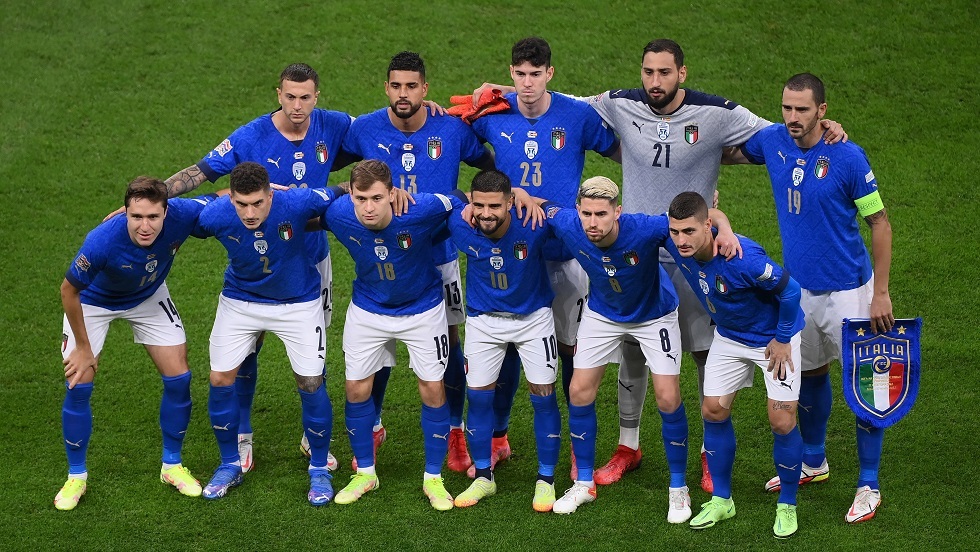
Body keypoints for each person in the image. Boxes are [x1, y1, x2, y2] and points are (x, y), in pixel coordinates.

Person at [151, 63, 351, 472]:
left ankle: (312, 436)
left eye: (305, 97)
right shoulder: (251, 136)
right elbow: (199, 173)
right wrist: (149, 200)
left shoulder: (334, 124)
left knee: (314, 354)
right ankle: (242, 436)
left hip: (312, 258)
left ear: (317, 97)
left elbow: (385, 132)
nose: (297, 106)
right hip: (256, 266)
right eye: (290, 96)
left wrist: (435, 112)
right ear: (278, 94)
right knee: (246, 350)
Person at [732, 73, 894, 524]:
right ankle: (813, 461)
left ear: (822, 111)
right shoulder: (773, 141)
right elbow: (724, 148)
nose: (793, 117)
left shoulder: (848, 157)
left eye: (802, 109)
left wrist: (880, 292)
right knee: (810, 373)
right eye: (787, 107)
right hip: (799, 291)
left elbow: (880, 223)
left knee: (866, 385)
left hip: (850, 293)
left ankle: (868, 483)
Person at [536, 176, 740, 519]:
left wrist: (726, 228)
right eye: (587, 213)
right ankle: (583, 483)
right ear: (578, 210)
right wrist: (521, 194)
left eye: (601, 214)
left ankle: (678, 489)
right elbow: (541, 205)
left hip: (654, 315)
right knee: (579, 390)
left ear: (618, 211)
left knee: (668, 397)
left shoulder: (644, 228)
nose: (593, 222)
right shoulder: (568, 223)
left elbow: (706, 218)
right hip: (603, 313)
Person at [469, 37, 620, 476]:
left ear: (550, 73)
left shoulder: (577, 116)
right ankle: (498, 438)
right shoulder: (493, 114)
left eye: (536, 74)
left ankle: (575, 446)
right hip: (511, 255)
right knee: (506, 347)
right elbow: (455, 137)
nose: (528, 82)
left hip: (564, 255)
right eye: (520, 74)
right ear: (511, 73)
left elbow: (627, 150)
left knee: (572, 351)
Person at [339, 51, 496, 473]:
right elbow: (332, 168)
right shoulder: (364, 129)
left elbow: (490, 165)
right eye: (396, 86)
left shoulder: (451, 129)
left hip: (439, 259)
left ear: (425, 89)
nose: (403, 94)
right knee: (378, 347)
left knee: (450, 346)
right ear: (386, 88)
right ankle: (372, 425)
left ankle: (456, 431)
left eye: (412, 86)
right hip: (385, 259)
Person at [55, 176, 216, 510]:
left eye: (153, 217)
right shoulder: (102, 241)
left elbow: (222, 197)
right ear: (125, 212)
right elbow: (68, 290)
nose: (145, 226)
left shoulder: (183, 213)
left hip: (147, 296)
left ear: (166, 212)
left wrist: (269, 190)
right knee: (78, 383)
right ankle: (76, 476)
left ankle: (172, 466)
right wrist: (83, 348)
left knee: (179, 377)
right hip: (93, 302)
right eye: (136, 217)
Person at [193, 162, 345, 506]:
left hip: (298, 303)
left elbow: (338, 192)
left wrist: (355, 189)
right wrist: (131, 213)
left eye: (257, 203)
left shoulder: (297, 202)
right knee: (220, 379)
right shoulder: (216, 214)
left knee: (311, 382)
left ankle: (319, 468)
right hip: (240, 302)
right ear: (230, 199)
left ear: (271, 195)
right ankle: (230, 464)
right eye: (241, 204)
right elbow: (173, 215)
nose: (250, 213)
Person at [321, 160, 466, 511]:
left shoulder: (420, 208)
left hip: (423, 310)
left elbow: (460, 199)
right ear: (351, 196)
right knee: (356, 388)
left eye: (376, 198)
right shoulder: (339, 213)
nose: (368, 208)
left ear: (391, 193)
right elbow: (306, 212)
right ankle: (365, 474)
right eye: (361, 199)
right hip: (368, 310)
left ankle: (433, 478)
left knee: (432, 388)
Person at [664, 191, 805, 538]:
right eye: (675, 232)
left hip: (773, 340)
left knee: (782, 420)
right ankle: (722, 500)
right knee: (712, 410)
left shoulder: (743, 258)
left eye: (689, 232)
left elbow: (791, 292)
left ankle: (787, 504)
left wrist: (783, 338)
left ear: (706, 227)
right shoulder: (679, 242)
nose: (681, 240)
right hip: (729, 337)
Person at [446, 169, 561, 511]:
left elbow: (568, 215)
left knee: (544, 398)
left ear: (510, 202)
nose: (486, 214)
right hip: (484, 322)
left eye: (494, 206)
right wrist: (462, 202)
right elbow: (447, 198)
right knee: (478, 399)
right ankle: (484, 477)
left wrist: (533, 197)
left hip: (533, 320)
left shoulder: (534, 223)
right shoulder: (460, 224)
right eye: (479, 205)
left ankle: (546, 480)